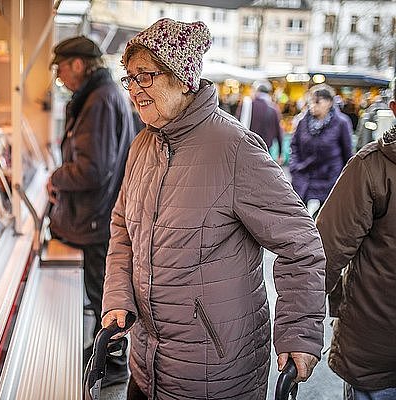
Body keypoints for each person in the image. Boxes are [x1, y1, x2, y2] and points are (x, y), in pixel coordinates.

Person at [102, 18, 326, 400]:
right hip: (146, 365)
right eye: (130, 77)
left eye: (146, 76)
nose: (135, 89)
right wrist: (118, 297)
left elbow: (301, 245)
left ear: (182, 77)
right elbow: (123, 230)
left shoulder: (235, 148)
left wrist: (298, 332)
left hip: (217, 375)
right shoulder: (142, 146)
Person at [46, 36, 135, 386]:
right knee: (103, 291)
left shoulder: (98, 101)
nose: (59, 75)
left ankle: (111, 366)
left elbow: (92, 169)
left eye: (61, 67)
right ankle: (105, 357)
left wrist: (56, 177)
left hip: (97, 215)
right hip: (99, 212)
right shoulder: (102, 95)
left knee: (105, 294)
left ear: (79, 65)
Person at [316, 88, 396, 400]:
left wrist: (299, 328)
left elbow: (325, 254)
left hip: (374, 352)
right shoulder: (372, 168)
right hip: (377, 353)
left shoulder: (372, 166)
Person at [289, 84, 353, 215]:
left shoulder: (341, 122)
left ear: (329, 103)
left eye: (317, 101)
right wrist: (294, 167)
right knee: (298, 215)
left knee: (324, 216)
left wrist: (345, 179)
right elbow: (294, 145)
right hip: (304, 174)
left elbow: (347, 153)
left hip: (329, 177)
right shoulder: (303, 121)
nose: (313, 105)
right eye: (311, 101)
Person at [237, 79, 284, 164]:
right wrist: (280, 152)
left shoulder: (246, 105)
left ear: (255, 91)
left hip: (247, 149)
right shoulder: (273, 109)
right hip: (265, 151)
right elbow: (279, 133)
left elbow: (237, 125)